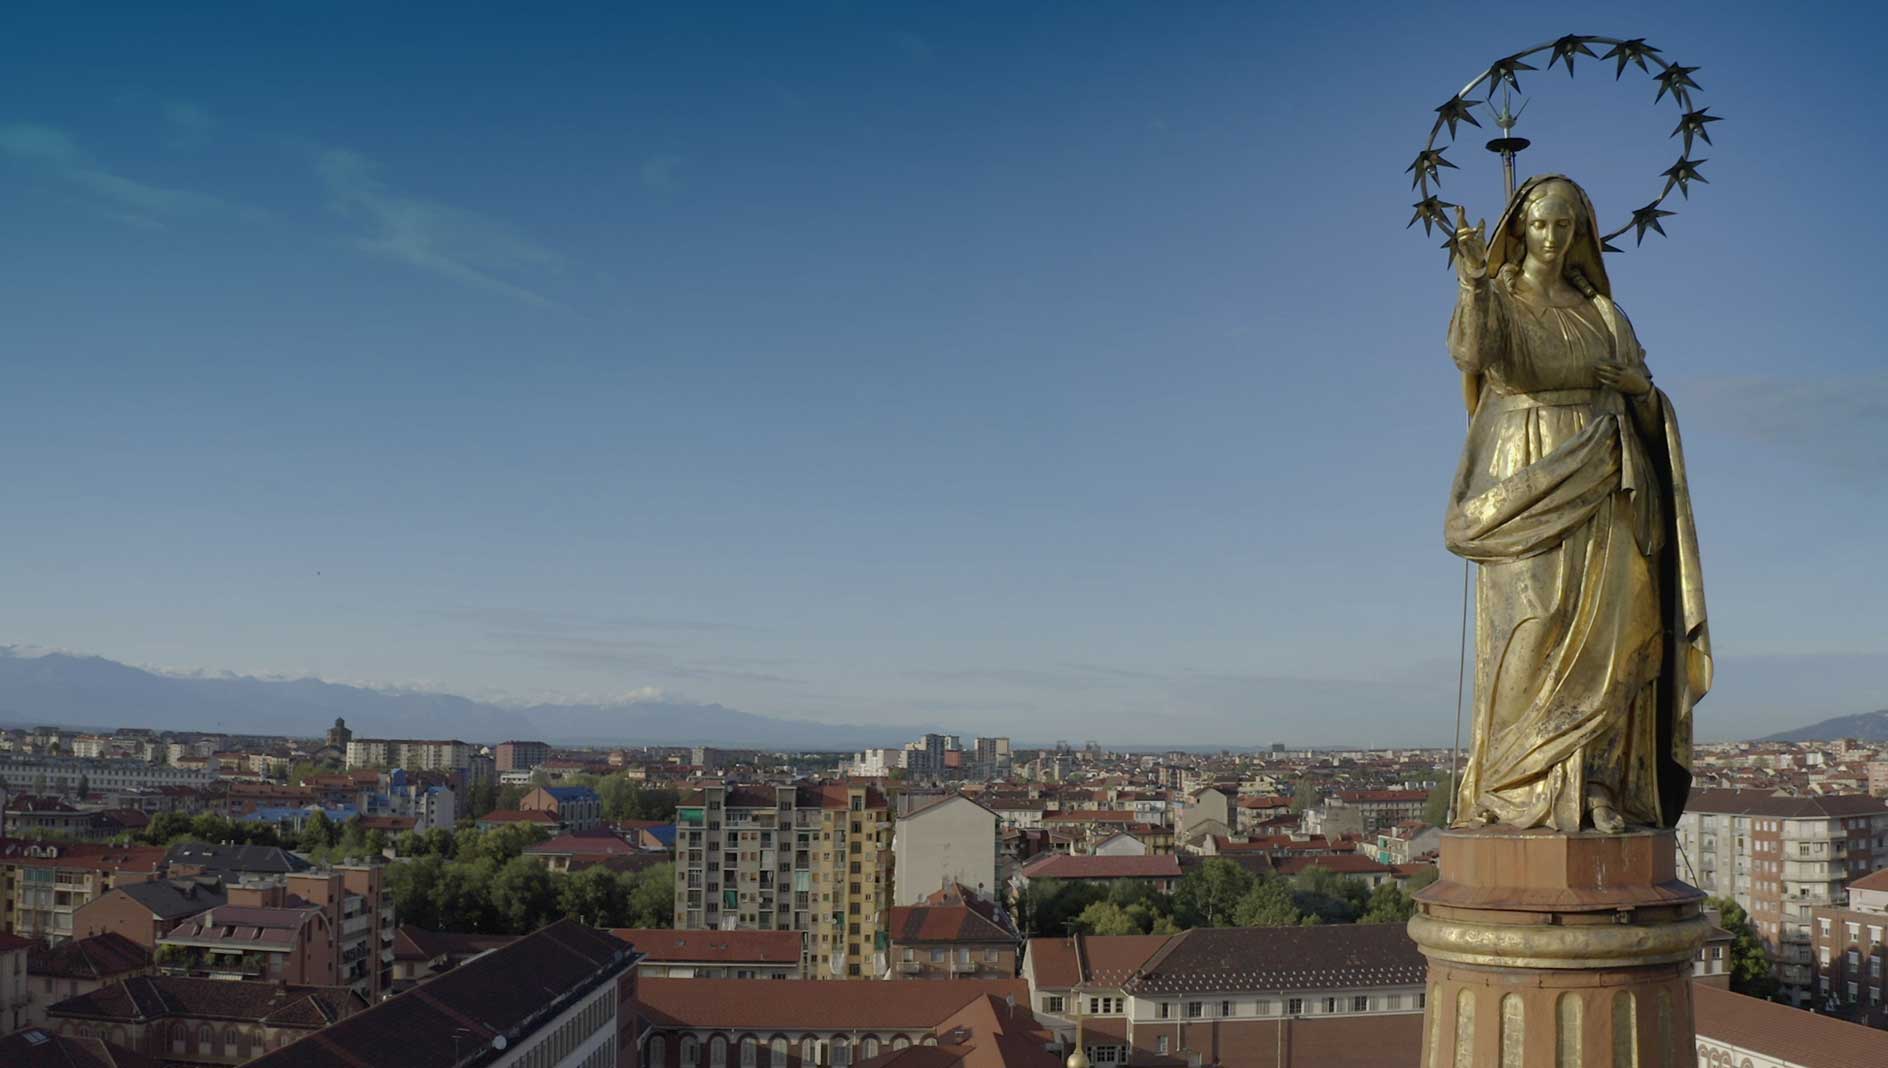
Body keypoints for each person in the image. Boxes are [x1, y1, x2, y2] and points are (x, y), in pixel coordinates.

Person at [1445, 174, 1711, 833]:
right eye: (1540, 224)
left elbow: (1642, 397)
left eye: (1566, 226)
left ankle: (1598, 785)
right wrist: (1474, 282)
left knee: (1615, 635)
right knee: (1532, 624)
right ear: (1520, 228)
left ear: (1582, 234)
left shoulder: (1604, 313)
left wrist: (1640, 390)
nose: (1553, 237)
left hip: (1611, 475)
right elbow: (1471, 356)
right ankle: (1514, 783)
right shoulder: (1500, 296)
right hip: (1528, 470)